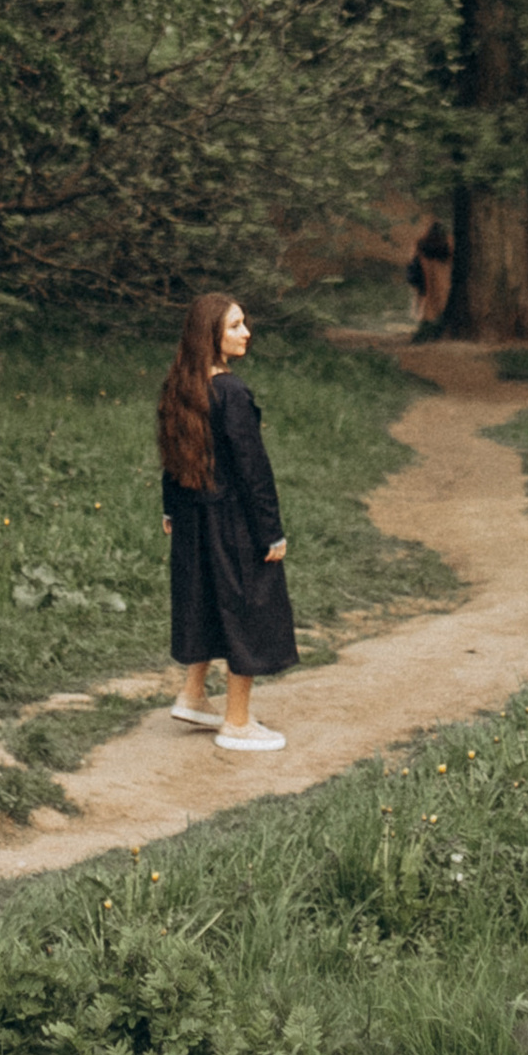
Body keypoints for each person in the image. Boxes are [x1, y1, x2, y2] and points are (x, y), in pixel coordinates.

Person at [157, 291, 296, 755]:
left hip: (193, 519)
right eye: (235, 326)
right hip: (231, 522)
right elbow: (252, 469)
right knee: (246, 611)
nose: (246, 333)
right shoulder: (231, 393)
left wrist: (170, 508)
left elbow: (173, 456)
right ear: (211, 334)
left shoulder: (181, 384)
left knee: (206, 602)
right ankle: (236, 722)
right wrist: (270, 531)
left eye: (244, 324)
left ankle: (193, 695)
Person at [405, 217, 453, 331]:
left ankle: (426, 320)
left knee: (425, 297)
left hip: (425, 274)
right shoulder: (448, 242)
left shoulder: (421, 242)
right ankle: (435, 320)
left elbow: (412, 258)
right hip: (442, 274)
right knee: (441, 295)